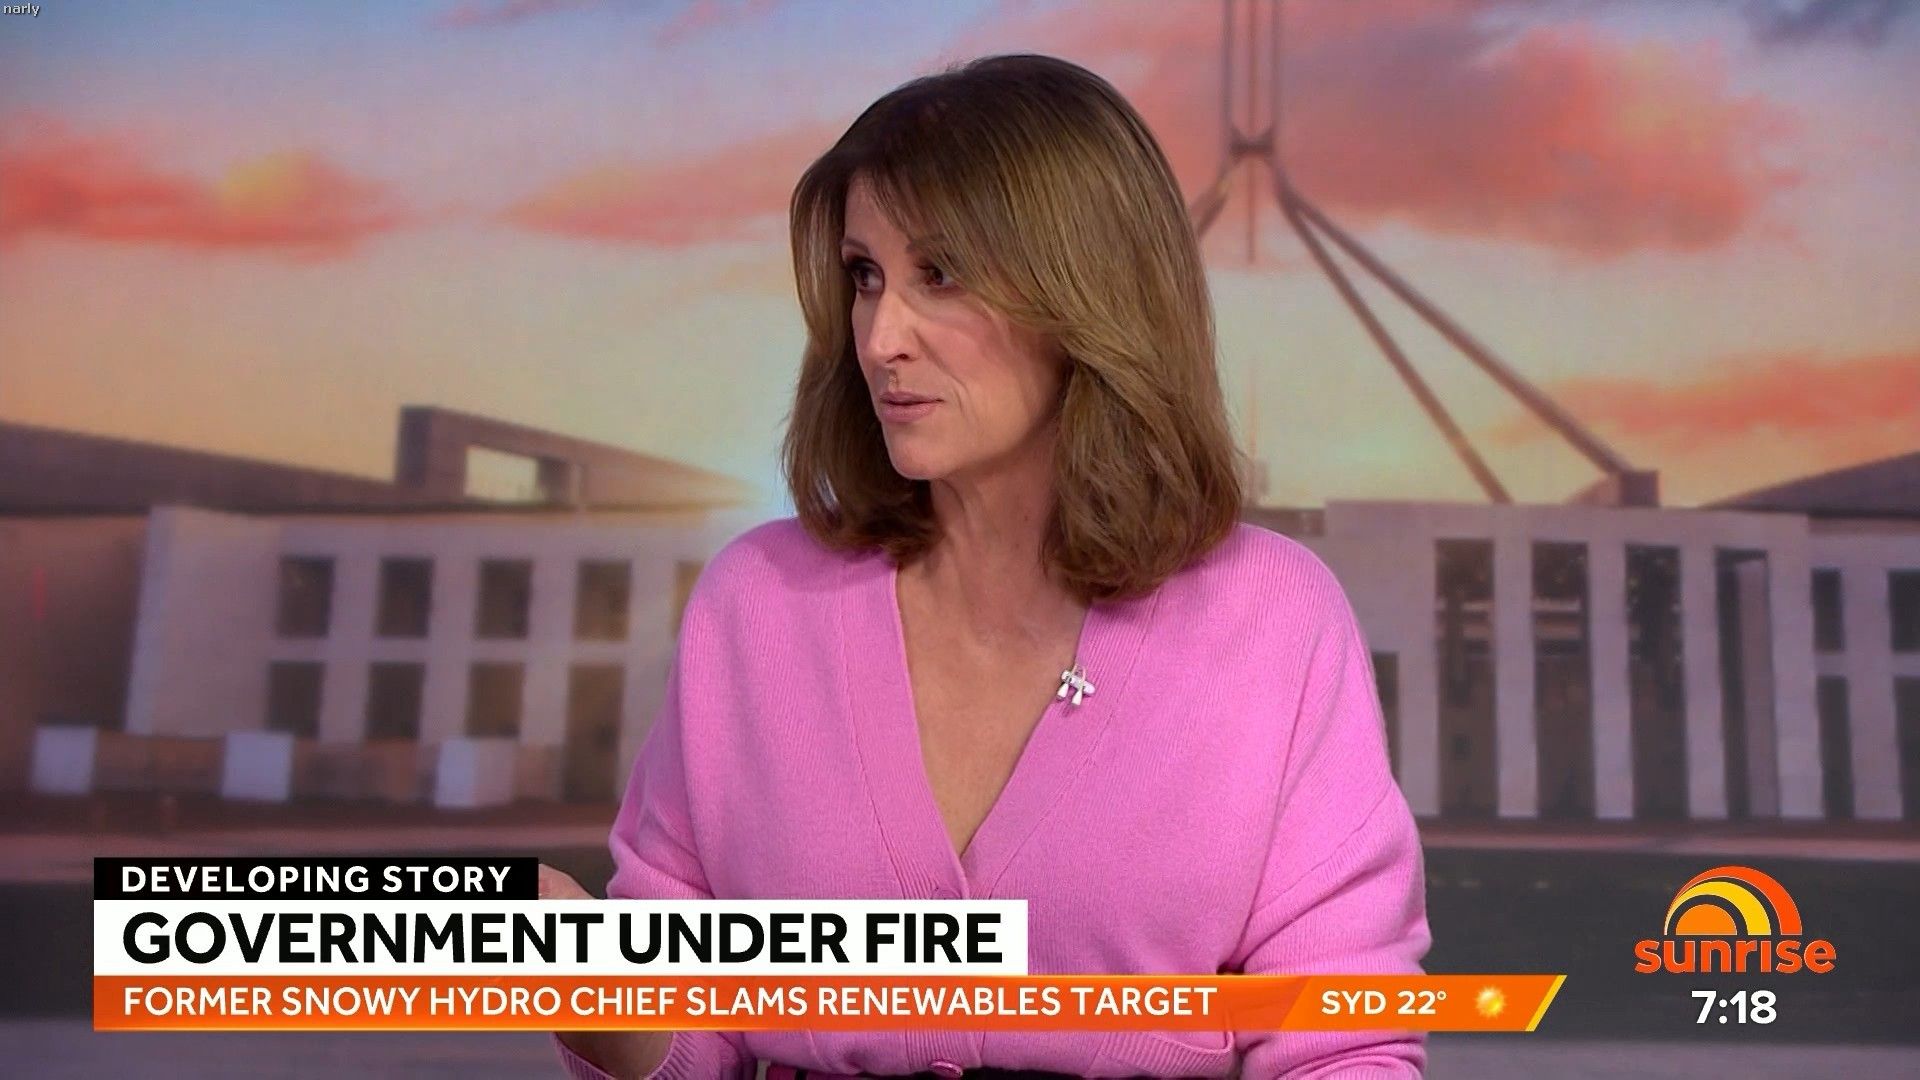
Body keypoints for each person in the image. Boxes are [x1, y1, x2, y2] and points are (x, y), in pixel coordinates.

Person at [547, 52, 1430, 1079]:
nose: (881, 337)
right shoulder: (755, 604)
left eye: (941, 275)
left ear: (1087, 296)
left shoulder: (1273, 618)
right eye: (865, 276)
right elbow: (691, 1026)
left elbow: (1345, 1041)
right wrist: (588, 990)